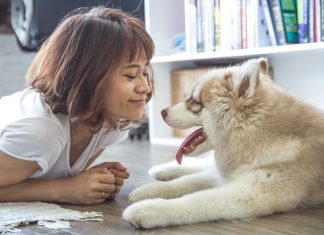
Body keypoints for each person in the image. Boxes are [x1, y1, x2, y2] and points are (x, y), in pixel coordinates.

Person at [0, 6, 154, 205]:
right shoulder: (41, 131)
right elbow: (60, 184)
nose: (145, 87)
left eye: (144, 73)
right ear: (87, 77)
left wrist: (93, 181)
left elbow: (53, 174)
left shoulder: (110, 121)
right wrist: (63, 190)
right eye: (130, 75)